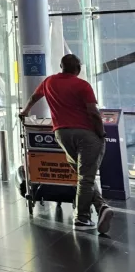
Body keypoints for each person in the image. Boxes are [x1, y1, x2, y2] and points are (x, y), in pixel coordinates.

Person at [20, 54, 113, 234]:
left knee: (82, 175)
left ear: (61, 66)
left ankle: (101, 207)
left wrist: (25, 112)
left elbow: (33, 97)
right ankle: (82, 218)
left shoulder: (49, 82)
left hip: (61, 134)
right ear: (78, 69)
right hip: (86, 134)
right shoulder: (82, 85)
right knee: (86, 177)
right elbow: (93, 112)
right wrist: (101, 133)